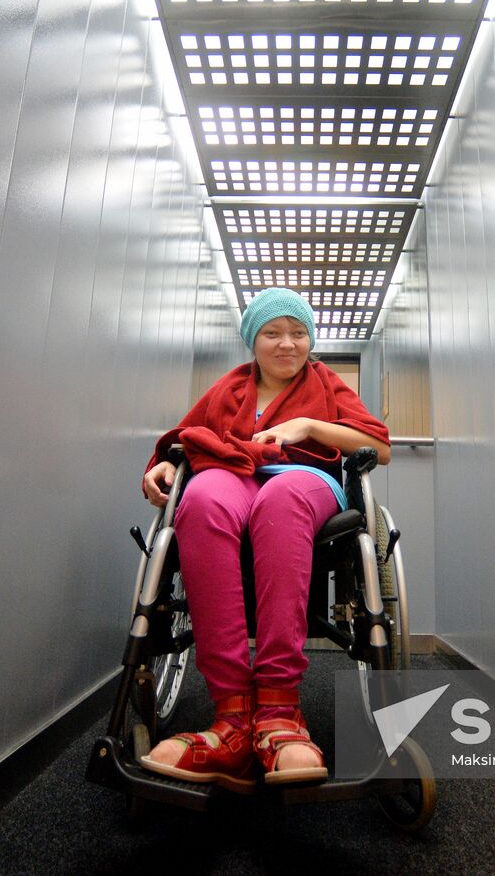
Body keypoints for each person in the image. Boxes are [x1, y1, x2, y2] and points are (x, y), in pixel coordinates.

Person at [138, 288, 390, 791]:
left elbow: (378, 447)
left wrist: (307, 426)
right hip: (232, 474)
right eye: (272, 333)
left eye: (298, 333)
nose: (287, 344)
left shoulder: (326, 383)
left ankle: (279, 708)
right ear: (253, 340)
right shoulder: (229, 387)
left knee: (281, 500)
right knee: (202, 499)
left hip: (304, 479)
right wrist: (165, 464)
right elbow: (186, 439)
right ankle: (231, 717)